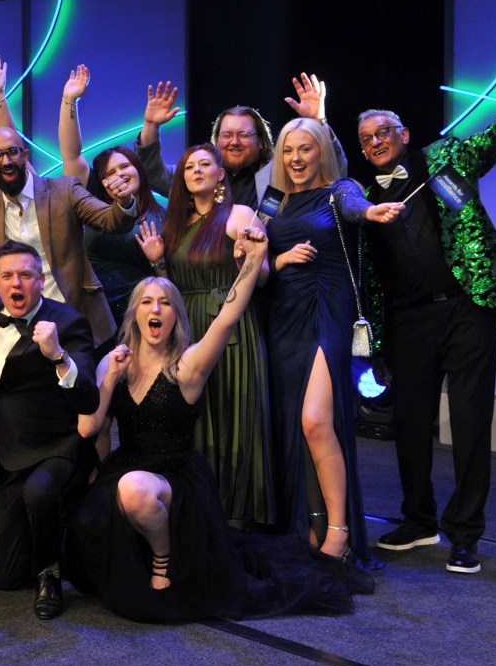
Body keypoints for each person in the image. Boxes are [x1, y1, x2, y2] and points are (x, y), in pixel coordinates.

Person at [64, 238, 359, 622]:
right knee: (103, 508)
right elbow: (91, 427)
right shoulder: (114, 362)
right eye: (148, 302)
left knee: (134, 491)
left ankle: (163, 558)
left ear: (176, 315)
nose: (156, 309)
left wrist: (254, 259)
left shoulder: (188, 365)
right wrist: (108, 381)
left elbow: (228, 317)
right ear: (134, 313)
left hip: (175, 477)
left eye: (166, 303)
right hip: (126, 466)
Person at [361, 29, 496, 573]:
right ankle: (418, 521)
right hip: (407, 321)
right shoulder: (363, 198)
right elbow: (371, 275)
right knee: (409, 424)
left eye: (383, 132)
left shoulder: (446, 157)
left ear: (404, 134)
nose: (375, 142)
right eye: (366, 138)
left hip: (466, 306)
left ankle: (465, 533)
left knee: (469, 422)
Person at [266, 118, 402, 568]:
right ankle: (312, 524)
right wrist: (273, 257)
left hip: (327, 310)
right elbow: (259, 249)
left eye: (305, 148)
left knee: (315, 421)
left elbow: (354, 205)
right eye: (288, 150)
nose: (296, 158)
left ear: (322, 150)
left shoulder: (339, 189)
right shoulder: (277, 200)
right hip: (284, 316)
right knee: (296, 426)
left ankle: (339, 532)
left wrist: (371, 212)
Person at [137, 142, 273, 529]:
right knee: (195, 419)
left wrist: (248, 258)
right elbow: (171, 288)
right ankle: (200, 507)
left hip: (231, 328)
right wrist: (157, 262)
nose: (196, 170)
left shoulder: (239, 214)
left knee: (234, 413)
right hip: (189, 328)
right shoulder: (174, 225)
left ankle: (237, 514)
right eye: (189, 166)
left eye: (204, 164)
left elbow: (263, 277)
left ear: (220, 175)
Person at [0, 240, 99, 619]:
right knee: (6, 578)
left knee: (40, 492)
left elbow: (88, 398)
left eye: (25, 275)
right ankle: (57, 538)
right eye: (8, 276)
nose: (16, 283)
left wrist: (58, 356)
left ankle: (50, 573)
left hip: (57, 446)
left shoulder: (69, 323)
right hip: (9, 453)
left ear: (41, 280)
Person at [0, 125, 135, 347]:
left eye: (13, 152)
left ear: (25, 155)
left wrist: (124, 202)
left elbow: (110, 220)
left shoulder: (64, 190)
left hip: (77, 318)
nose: (6, 161)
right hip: (23, 327)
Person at [133, 75, 337, 209]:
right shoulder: (199, 174)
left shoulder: (282, 173)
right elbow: (151, 173)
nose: (235, 142)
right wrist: (151, 125)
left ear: (261, 142)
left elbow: (331, 170)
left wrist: (318, 122)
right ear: (216, 141)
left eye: (244, 135)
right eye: (227, 135)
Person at [80, 146, 167, 328]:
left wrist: (157, 261)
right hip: (98, 316)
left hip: (143, 313)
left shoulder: (163, 217)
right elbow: (72, 155)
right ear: (103, 183)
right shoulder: (95, 214)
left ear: (138, 169)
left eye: (125, 166)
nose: (119, 174)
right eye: (110, 172)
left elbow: (171, 282)